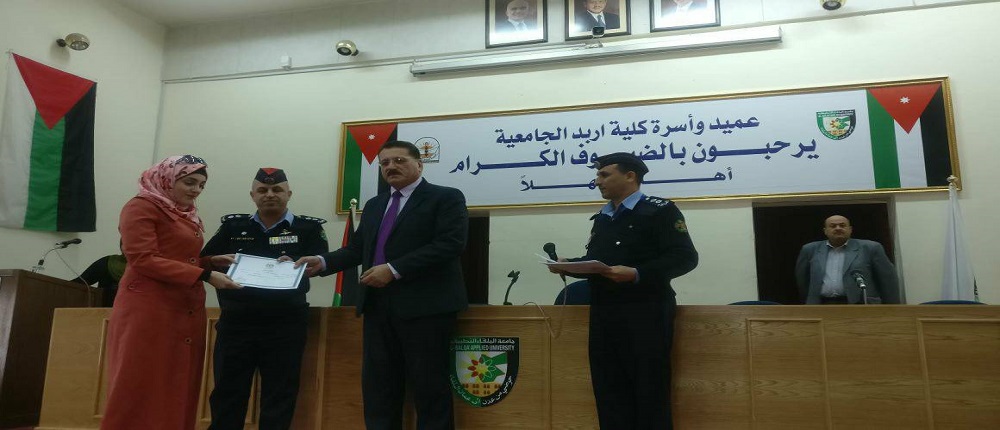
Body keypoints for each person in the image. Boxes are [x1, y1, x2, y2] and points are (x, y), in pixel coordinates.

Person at [295, 140, 468, 430]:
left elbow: (450, 244)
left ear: (419, 165)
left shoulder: (445, 197)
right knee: (379, 390)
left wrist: (393, 270)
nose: (391, 167)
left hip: (426, 309)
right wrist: (322, 262)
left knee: (429, 389)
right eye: (385, 163)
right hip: (377, 307)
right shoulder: (375, 204)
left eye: (399, 160)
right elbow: (357, 249)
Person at [549, 152, 698, 429]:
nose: (597, 181)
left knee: (649, 390)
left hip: (646, 312)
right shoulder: (603, 217)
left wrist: (637, 273)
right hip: (604, 312)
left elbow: (684, 258)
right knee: (609, 389)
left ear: (630, 176)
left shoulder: (660, 210)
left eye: (604, 175)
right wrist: (568, 265)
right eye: (597, 175)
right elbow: (600, 263)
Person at [101, 155, 241, 430]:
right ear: (167, 178)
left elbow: (179, 258)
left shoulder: (183, 213)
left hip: (183, 309)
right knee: (141, 383)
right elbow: (142, 259)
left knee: (178, 383)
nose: (196, 190)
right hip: (148, 309)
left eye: (201, 185)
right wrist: (204, 275)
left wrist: (209, 262)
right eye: (189, 182)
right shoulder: (141, 206)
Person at [200, 168, 329, 430]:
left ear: (289, 194)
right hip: (237, 322)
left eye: (277, 189)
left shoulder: (308, 228)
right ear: (252, 195)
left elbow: (321, 263)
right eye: (262, 190)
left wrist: (297, 263)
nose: (270, 194)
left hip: (285, 325)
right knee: (227, 392)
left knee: (280, 395)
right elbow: (203, 261)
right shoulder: (233, 226)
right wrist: (214, 261)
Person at [795, 215, 900, 304]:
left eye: (842, 225)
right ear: (825, 231)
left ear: (850, 229)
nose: (838, 228)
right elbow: (802, 280)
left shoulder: (870, 248)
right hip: (821, 304)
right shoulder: (810, 249)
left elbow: (888, 280)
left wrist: (893, 308)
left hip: (860, 304)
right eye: (833, 226)